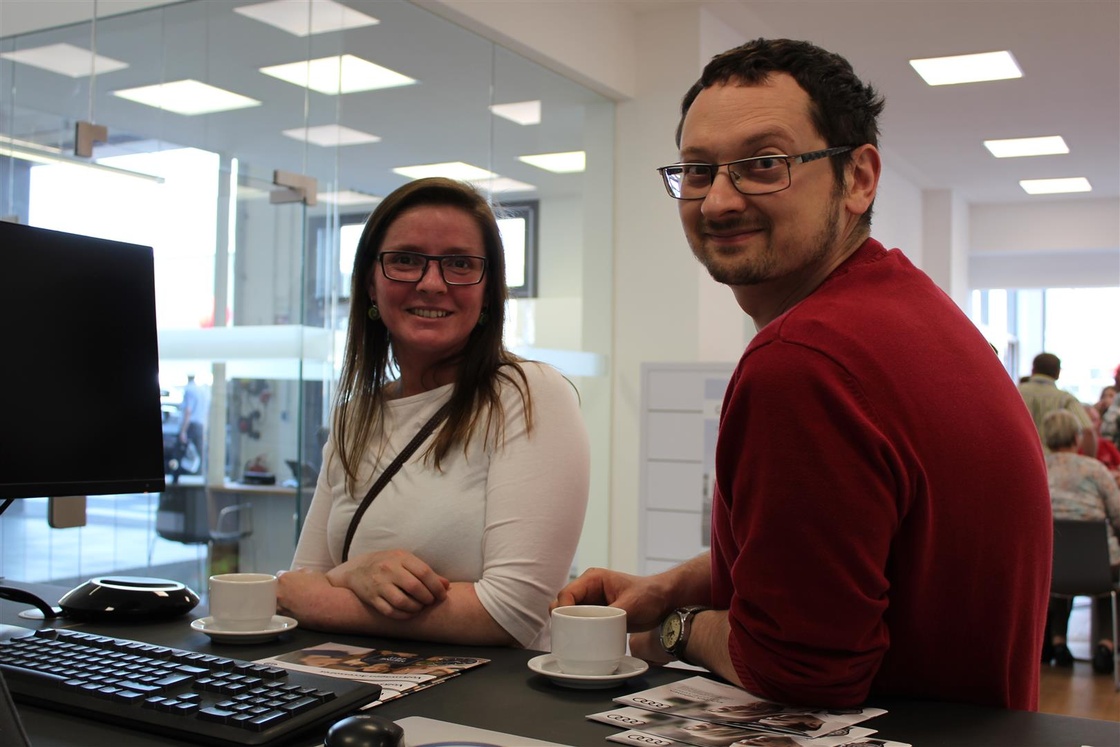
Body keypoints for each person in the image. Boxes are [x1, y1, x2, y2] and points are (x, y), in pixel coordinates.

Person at [554, 38, 1051, 710]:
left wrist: (675, 628)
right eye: (698, 170)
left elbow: (799, 669)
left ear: (858, 178)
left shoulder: (804, 361)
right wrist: (669, 588)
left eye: (764, 164)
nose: (718, 201)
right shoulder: (911, 308)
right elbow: (840, 559)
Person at [278, 177, 590, 650]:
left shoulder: (529, 396)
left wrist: (329, 594)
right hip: (356, 684)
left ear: (489, 292)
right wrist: (354, 573)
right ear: (370, 283)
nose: (431, 283)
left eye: (460, 264)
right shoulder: (355, 416)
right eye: (406, 260)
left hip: (484, 693)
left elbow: (511, 613)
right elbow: (301, 581)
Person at [1041, 409, 1120, 674]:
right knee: (1109, 578)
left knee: (1060, 565)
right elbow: (1118, 515)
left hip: (1053, 565)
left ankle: (1058, 642)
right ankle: (1106, 645)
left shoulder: (1039, 467)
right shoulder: (1095, 470)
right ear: (1077, 438)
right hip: (1100, 566)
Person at [1018, 352, 1097, 457]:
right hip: (1054, 461)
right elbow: (1088, 431)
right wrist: (1088, 461)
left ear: (1033, 370)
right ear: (1058, 373)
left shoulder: (1015, 392)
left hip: (1021, 459)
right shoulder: (1065, 399)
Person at [172, 374, 208, 482]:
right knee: (198, 454)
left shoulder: (190, 390)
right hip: (200, 426)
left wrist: (183, 431)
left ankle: (178, 478)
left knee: (181, 452)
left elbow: (188, 411)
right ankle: (197, 478)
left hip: (191, 426)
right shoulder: (202, 391)